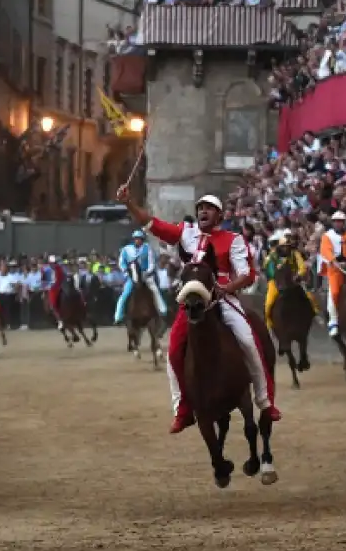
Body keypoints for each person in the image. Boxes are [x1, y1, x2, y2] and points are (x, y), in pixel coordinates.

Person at [116, 185, 281, 434]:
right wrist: (129, 203)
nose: (203, 211)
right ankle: (182, 410)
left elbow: (247, 274)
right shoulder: (186, 232)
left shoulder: (233, 239)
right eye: (201, 208)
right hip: (192, 298)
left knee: (248, 341)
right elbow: (152, 224)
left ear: (220, 216)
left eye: (210, 209)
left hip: (222, 298)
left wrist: (228, 288)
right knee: (173, 351)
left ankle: (265, 402)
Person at [263, 234, 321, 331]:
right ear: (280, 247)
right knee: (269, 301)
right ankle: (268, 321)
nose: (286, 248)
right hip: (276, 281)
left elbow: (302, 266)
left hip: (293, 279)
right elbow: (267, 267)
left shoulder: (295, 253)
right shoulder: (272, 256)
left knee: (309, 296)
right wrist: (275, 273)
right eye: (284, 247)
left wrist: (299, 274)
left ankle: (316, 313)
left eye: (288, 246)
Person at [114, 230, 167, 324]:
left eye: (140, 239)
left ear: (142, 240)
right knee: (125, 294)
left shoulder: (148, 248)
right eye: (136, 239)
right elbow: (122, 262)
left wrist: (147, 272)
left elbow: (151, 263)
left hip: (146, 275)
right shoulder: (126, 249)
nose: (138, 241)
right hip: (132, 275)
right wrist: (126, 272)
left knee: (154, 289)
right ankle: (118, 316)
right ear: (133, 239)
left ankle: (163, 310)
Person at [45, 255, 67, 331]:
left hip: (58, 287)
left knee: (53, 304)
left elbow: (61, 279)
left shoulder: (60, 269)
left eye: (54, 263)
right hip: (51, 287)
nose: (53, 264)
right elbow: (44, 280)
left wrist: (53, 286)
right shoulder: (47, 270)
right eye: (51, 263)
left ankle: (61, 320)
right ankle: (58, 320)